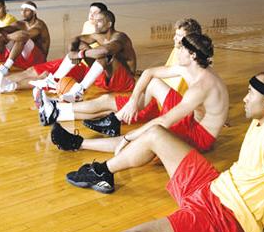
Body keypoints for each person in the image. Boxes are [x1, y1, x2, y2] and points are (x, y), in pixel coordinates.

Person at [0, 71, 264, 232]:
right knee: (156, 134)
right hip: (213, 185)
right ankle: (103, 171)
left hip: (222, 217)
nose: (244, 99)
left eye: (251, 93)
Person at [50, 33, 226, 155]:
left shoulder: (202, 86)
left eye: (182, 49)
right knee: (154, 83)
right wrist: (133, 102)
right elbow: (149, 73)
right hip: (190, 118)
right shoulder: (191, 67)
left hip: (199, 136)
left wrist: (129, 136)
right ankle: (114, 120)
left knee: (145, 135)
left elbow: (164, 121)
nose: (177, 50)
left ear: (193, 55)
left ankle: (77, 143)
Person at [40, 18, 203, 129]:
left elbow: (199, 89)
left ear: (191, 39)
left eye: (180, 36)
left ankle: (56, 108)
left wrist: (205, 115)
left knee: (106, 102)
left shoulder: (191, 61)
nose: (175, 38)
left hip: (163, 106)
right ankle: (57, 114)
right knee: (106, 110)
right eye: (176, 34)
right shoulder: (182, 51)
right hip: (158, 100)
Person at [34, 9, 136, 112]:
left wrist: (80, 54)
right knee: (81, 45)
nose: (95, 24)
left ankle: (79, 91)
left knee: (104, 56)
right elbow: (76, 39)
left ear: (109, 24)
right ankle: (55, 79)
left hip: (125, 83)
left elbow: (106, 50)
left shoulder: (120, 37)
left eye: (99, 21)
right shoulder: (98, 35)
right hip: (106, 80)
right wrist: (73, 52)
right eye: (94, 21)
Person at [0, 2, 108, 92]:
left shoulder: (105, 35)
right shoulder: (87, 24)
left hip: (83, 68)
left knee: (47, 78)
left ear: (103, 17)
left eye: (95, 13)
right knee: (31, 70)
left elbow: (101, 57)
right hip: (74, 59)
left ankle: (9, 86)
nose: (91, 15)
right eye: (90, 12)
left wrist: (82, 50)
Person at [0, 1, 50, 93]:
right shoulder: (20, 23)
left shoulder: (39, 25)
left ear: (34, 12)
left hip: (38, 61)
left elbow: (24, 35)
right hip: (24, 61)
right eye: (22, 10)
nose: (23, 13)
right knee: (2, 35)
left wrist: (6, 37)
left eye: (27, 10)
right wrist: (1, 36)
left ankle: (3, 70)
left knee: (21, 37)